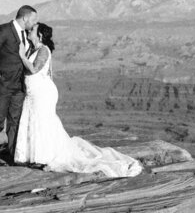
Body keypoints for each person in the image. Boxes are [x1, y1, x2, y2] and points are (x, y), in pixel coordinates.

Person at [14, 23, 143, 178]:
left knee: (43, 121)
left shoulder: (43, 50)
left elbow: (34, 69)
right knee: (37, 121)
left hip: (41, 93)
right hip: (35, 93)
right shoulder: (34, 49)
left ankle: (46, 156)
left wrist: (21, 55)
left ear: (40, 35)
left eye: (33, 29)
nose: (29, 30)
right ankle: (37, 156)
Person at [0, 5, 37, 166]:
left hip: (19, 85)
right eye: (34, 19)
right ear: (25, 18)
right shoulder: (2, 30)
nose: (35, 23)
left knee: (15, 120)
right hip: (3, 84)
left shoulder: (26, 35)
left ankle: (15, 155)